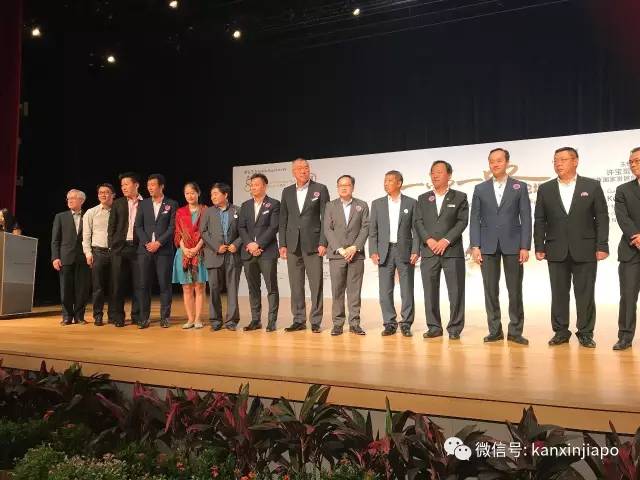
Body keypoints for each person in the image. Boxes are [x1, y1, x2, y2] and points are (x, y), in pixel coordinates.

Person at [534, 147, 609, 348]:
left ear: (575, 161)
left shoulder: (591, 186)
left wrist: (602, 245)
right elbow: (539, 219)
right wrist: (539, 245)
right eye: (555, 160)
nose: (558, 163)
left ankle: (585, 332)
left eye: (563, 159)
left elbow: (602, 217)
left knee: (585, 293)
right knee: (558, 293)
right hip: (555, 248)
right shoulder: (545, 188)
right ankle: (560, 331)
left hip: (585, 248)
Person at [469, 148, 531, 345]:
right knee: (490, 290)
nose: (495, 164)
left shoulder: (519, 187)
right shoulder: (480, 189)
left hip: (513, 244)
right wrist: (475, 246)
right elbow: (474, 218)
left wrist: (525, 246)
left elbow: (526, 218)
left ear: (507, 163)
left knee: (515, 290)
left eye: (499, 160)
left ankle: (515, 331)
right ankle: (494, 330)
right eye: (491, 161)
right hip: (487, 245)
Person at [414, 161, 469, 340]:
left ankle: (455, 328)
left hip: (452, 251)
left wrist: (446, 240)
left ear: (449, 175)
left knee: (456, 291)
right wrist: (429, 240)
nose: (435, 175)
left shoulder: (460, 197)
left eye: (439, 172)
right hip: (429, 251)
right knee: (430, 291)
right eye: (432, 172)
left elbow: (462, 222)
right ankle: (434, 327)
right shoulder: (423, 198)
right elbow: (418, 222)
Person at [278, 158, 330, 333]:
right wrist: (282, 243)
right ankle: (298, 319)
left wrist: (323, 242)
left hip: (314, 244)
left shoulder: (320, 189)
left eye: (306, 167)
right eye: (299, 168)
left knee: (316, 284)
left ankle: (315, 320)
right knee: (296, 285)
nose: (303, 170)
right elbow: (283, 219)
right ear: (293, 172)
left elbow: (326, 218)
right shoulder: (287, 191)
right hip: (292, 245)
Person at [368, 170, 419, 337]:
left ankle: (406, 323)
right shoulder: (377, 203)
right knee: (385, 291)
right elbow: (373, 230)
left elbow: (416, 230)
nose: (386, 183)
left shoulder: (411, 203)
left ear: (399, 183)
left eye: (390, 180)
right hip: (385, 251)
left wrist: (415, 250)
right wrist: (373, 250)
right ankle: (389, 323)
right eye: (385, 180)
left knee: (407, 290)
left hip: (405, 250)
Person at [324, 175, 369, 336]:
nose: (343, 188)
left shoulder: (362, 205)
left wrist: (355, 247)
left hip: (356, 255)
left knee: (354, 291)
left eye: (347, 185)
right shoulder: (330, 205)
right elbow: (328, 229)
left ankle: (355, 323)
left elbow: (365, 228)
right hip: (337, 255)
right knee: (337, 291)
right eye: (340, 185)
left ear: (353, 187)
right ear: (337, 188)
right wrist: (340, 249)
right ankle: (337, 324)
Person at [238, 173, 280, 332]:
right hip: (248, 252)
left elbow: (273, 227)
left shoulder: (274, 204)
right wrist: (250, 244)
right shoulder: (245, 205)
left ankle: (272, 321)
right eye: (251, 185)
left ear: (265, 186)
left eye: (257, 184)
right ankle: (256, 320)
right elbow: (241, 227)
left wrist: (258, 244)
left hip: (267, 252)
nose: (253, 187)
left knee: (271, 288)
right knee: (253, 288)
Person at [135, 174, 178, 329]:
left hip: (163, 251)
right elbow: (138, 226)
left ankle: (165, 317)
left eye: (153, 185)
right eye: (148, 185)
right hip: (145, 250)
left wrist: (158, 243)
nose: (150, 188)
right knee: (143, 285)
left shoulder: (171, 204)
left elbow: (172, 227)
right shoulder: (143, 204)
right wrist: (147, 243)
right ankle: (144, 318)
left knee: (164, 285)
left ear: (161, 186)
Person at [200, 182, 242, 331]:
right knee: (214, 289)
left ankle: (231, 321)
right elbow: (203, 232)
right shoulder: (208, 212)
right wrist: (216, 247)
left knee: (232, 289)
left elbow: (244, 231)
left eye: (216, 194)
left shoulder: (237, 210)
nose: (213, 197)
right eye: (212, 194)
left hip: (232, 255)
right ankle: (216, 320)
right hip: (214, 255)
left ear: (225, 194)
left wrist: (236, 244)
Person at [613, 147, 640, 351]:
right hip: (631, 251)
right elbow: (623, 218)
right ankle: (625, 337)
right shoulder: (623, 190)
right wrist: (636, 236)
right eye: (631, 162)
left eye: (637, 160)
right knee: (628, 297)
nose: (633, 164)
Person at [108, 172, 143, 327]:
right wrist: (113, 245)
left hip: (138, 248)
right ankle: (118, 317)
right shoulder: (117, 203)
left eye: (126, 184)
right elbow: (111, 227)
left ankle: (137, 315)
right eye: (122, 185)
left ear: (136, 185)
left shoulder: (145, 203)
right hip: (120, 248)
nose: (123, 187)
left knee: (139, 284)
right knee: (117, 285)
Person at [51, 189, 90, 325]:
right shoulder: (60, 217)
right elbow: (55, 240)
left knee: (82, 289)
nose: (70, 200)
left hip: (84, 257)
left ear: (82, 200)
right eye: (68, 198)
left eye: (73, 198)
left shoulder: (88, 215)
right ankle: (67, 316)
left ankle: (79, 316)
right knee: (66, 288)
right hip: (65, 257)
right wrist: (55, 257)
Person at [172, 182, 208, 330]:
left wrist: (196, 248)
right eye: (187, 193)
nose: (190, 196)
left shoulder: (205, 210)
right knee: (186, 288)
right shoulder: (180, 212)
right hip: (183, 253)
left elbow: (207, 232)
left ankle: (198, 319)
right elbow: (178, 233)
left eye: (192, 193)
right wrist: (185, 249)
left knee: (199, 287)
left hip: (200, 253)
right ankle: (190, 319)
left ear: (198, 193)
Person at [82, 183, 115, 326]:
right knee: (98, 287)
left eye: (106, 192)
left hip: (115, 252)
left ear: (113, 195)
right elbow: (86, 235)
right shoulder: (91, 212)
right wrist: (88, 253)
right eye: (100, 192)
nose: (103, 195)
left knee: (115, 286)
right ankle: (98, 315)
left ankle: (113, 315)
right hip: (98, 252)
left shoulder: (118, 210)